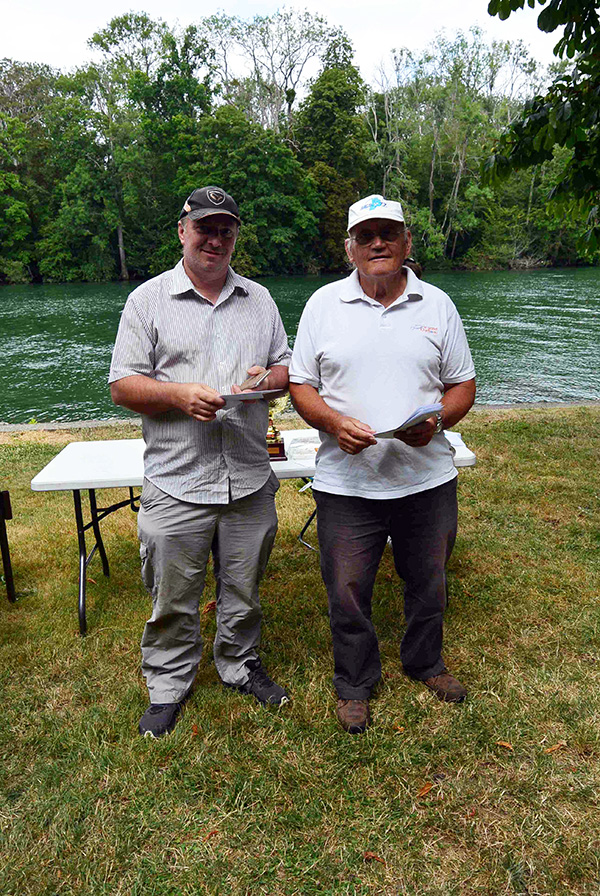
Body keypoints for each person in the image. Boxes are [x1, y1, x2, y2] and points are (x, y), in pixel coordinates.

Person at [289, 194, 476, 734]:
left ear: (406, 242)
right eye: (365, 235)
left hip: (426, 476)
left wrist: (438, 420)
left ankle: (425, 663)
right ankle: (354, 683)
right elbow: (302, 384)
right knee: (346, 588)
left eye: (388, 233)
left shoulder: (436, 304)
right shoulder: (323, 305)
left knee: (430, 582)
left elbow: (462, 384)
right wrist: (331, 423)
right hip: (347, 481)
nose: (377, 243)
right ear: (349, 247)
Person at [109, 185, 291, 738]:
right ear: (182, 230)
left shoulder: (259, 300)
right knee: (173, 593)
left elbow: (287, 367)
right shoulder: (147, 301)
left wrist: (266, 381)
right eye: (205, 228)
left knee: (243, 588)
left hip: (248, 475)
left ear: (235, 236)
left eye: (226, 229)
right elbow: (122, 385)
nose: (215, 239)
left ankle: (239, 665)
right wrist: (178, 395)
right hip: (177, 477)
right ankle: (168, 683)